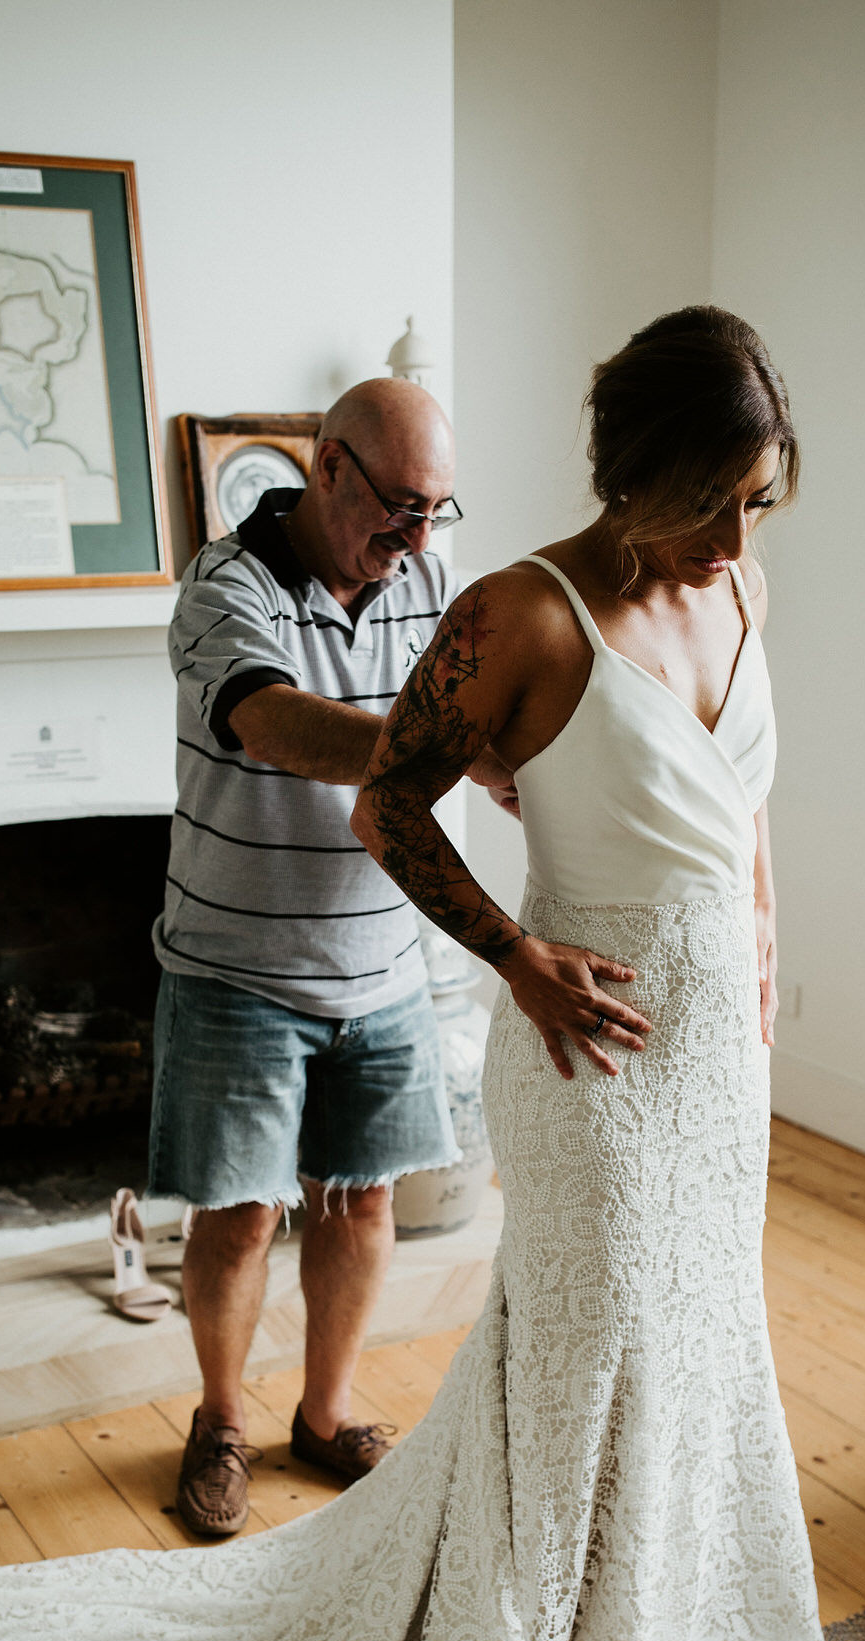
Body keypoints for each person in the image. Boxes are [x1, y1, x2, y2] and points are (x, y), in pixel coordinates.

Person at [0, 309, 832, 1641]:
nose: (730, 538)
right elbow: (352, 775)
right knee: (505, 1308)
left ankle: (595, 1603)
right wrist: (509, 918)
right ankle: (249, 1434)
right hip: (453, 1004)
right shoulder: (455, 610)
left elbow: (743, 803)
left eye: (754, 504)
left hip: (700, 1056)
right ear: (628, 471)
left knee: (680, 1324)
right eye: (708, 498)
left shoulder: (719, 585)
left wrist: (768, 941)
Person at [147, 379, 502, 1537]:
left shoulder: (434, 586)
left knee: (360, 1206)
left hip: (383, 966)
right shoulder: (223, 585)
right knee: (241, 1215)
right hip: (235, 965)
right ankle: (220, 1420)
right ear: (329, 466)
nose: (415, 538)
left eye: (437, 512)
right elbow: (273, 723)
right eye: (401, 505)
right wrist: (446, 743)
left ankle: (324, 1409)